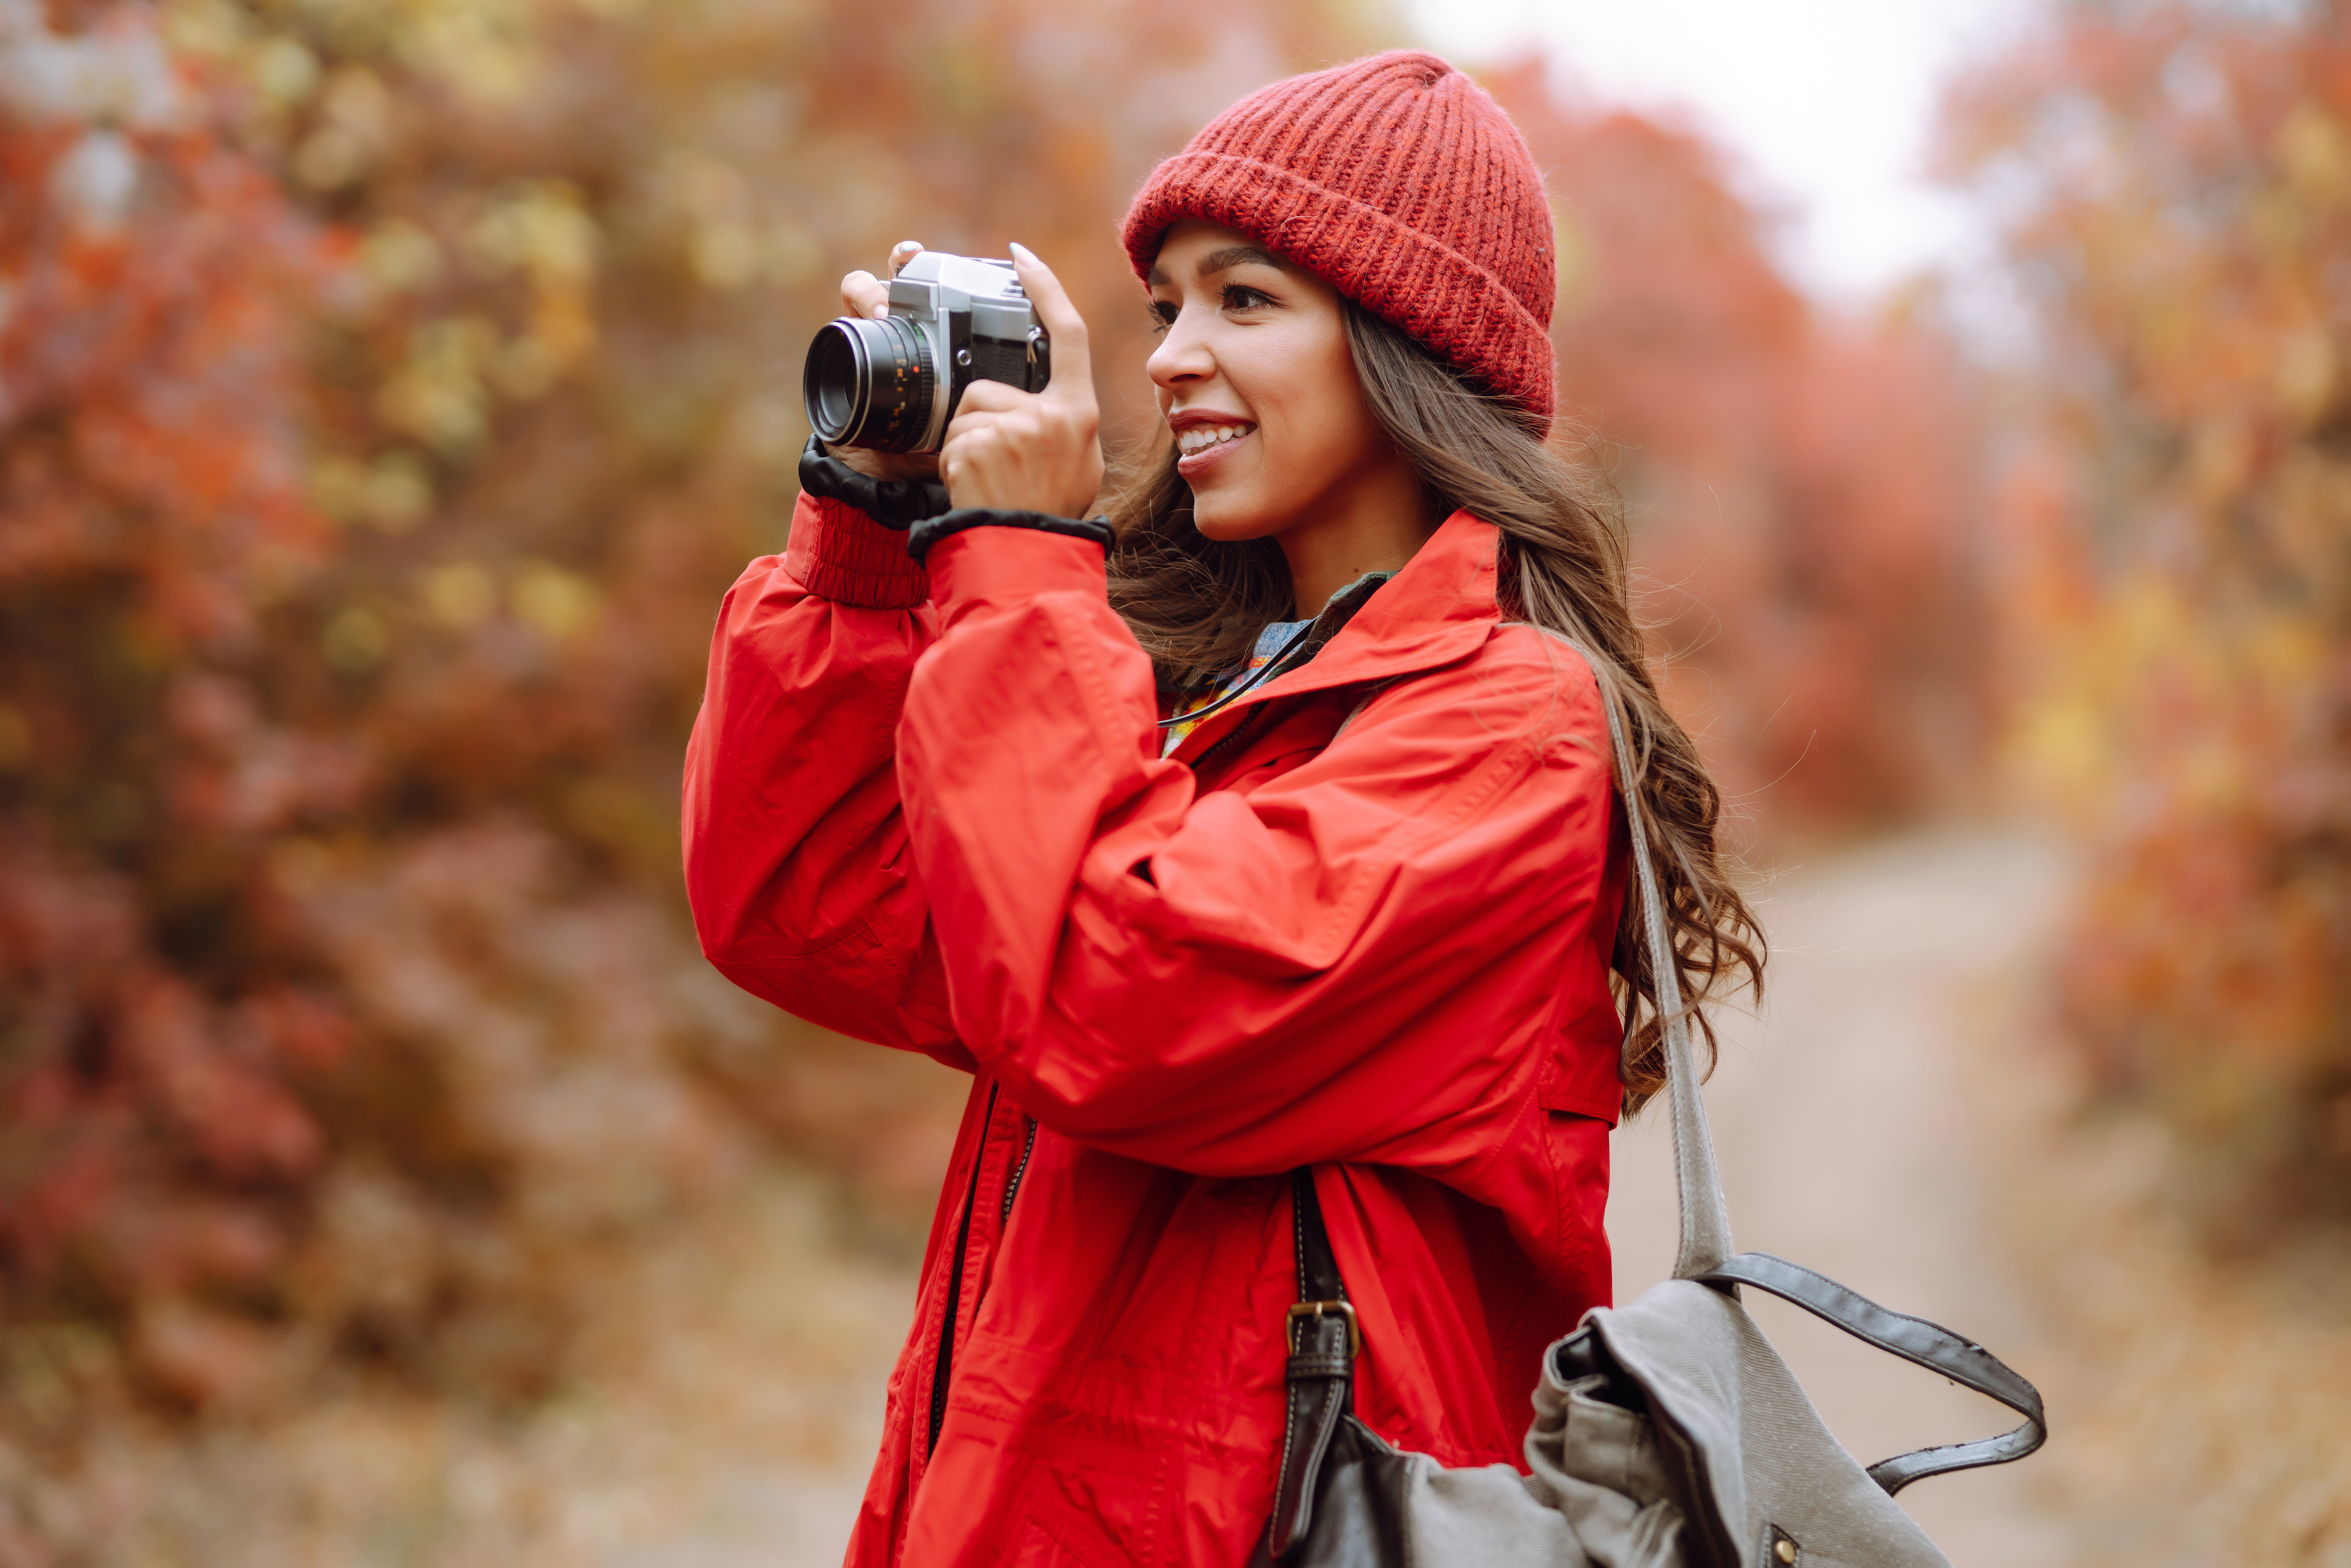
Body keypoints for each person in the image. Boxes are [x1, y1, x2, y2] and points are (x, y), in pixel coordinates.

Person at [683, 48, 1762, 1568]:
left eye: (1244, 301)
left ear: (1408, 354)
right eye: (1164, 307)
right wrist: (872, 536)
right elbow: (812, 909)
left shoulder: (1505, 728)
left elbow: (1115, 998)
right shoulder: (1174, 699)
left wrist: (1017, 562)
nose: (1175, 355)